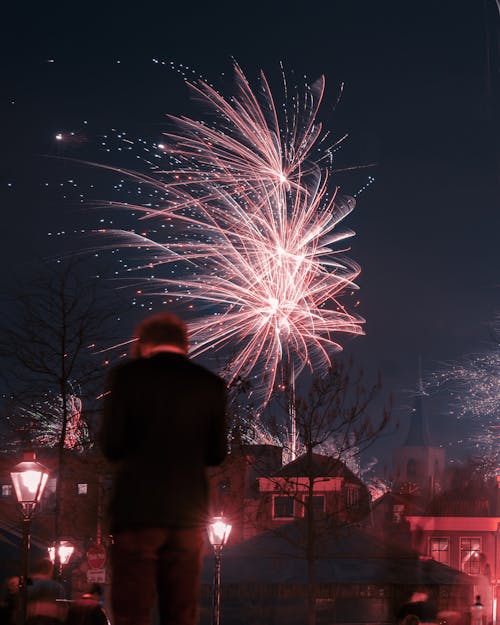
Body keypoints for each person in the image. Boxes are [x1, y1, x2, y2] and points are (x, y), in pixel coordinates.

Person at [99, 312, 227, 625]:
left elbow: (111, 445)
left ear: (144, 344)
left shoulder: (127, 377)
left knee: (132, 608)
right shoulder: (210, 384)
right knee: (181, 610)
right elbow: (216, 454)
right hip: (187, 515)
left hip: (137, 512)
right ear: (185, 344)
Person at [25, 558, 67, 624]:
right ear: (50, 570)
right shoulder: (57, 586)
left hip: (31, 618)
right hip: (51, 619)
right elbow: (63, 607)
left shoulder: (29, 582)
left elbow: (24, 596)